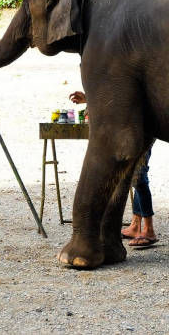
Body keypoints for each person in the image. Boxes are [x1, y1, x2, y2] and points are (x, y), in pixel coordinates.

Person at [69, 91, 158, 247]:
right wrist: (88, 98)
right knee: (135, 178)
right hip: (134, 128)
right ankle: (136, 226)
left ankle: (149, 229)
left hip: (141, 129)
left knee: (140, 177)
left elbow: (125, 97)